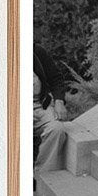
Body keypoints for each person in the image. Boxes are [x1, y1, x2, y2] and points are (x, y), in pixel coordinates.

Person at [32, 43, 68, 174]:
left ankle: (42, 175)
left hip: (41, 104)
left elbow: (56, 79)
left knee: (57, 129)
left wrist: (59, 101)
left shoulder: (36, 51)